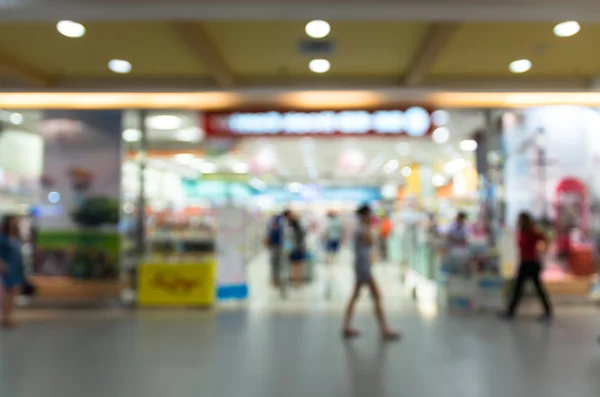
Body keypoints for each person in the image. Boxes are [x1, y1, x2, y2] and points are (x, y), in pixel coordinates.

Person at [342, 204, 399, 340]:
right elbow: (370, 242)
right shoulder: (361, 229)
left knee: (356, 295)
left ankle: (346, 326)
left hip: (363, 265)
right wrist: (372, 228)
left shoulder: (360, 228)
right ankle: (384, 328)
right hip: (363, 267)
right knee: (376, 296)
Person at [502, 212, 553, 321]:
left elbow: (545, 238)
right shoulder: (521, 232)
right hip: (524, 262)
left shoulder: (532, 232)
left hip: (531, 263)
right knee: (518, 288)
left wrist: (542, 251)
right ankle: (510, 311)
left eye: (519, 219)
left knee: (535, 288)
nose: (517, 221)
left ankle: (547, 311)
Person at [0, 214, 24, 328]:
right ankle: (5, 316)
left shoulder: (16, 237)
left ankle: (9, 315)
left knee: (14, 292)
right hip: (6, 268)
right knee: (7, 293)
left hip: (16, 268)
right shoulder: (2, 237)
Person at [265, 210, 290, 287]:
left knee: (274, 263)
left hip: (273, 245)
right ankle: (278, 280)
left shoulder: (272, 221)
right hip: (280, 246)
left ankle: (274, 280)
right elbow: (286, 236)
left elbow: (268, 233)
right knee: (280, 263)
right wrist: (288, 247)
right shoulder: (283, 221)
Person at [288, 215, 306, 287]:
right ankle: (299, 281)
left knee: (294, 267)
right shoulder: (301, 230)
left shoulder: (290, 231)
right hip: (300, 250)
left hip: (293, 250)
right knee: (300, 266)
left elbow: (289, 242)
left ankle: (295, 281)